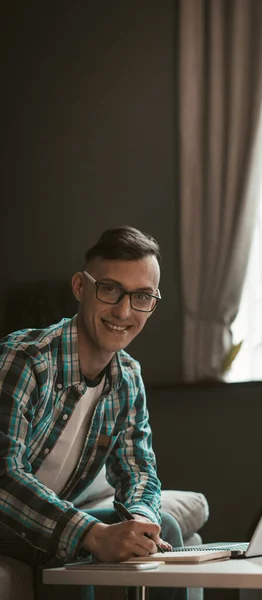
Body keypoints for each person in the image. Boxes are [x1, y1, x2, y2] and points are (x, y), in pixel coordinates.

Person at [0, 226, 185, 600]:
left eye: (142, 296)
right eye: (110, 289)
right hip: (10, 520)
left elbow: (138, 470)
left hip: (50, 524)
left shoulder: (128, 376)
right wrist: (89, 533)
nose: (123, 311)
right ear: (81, 287)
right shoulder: (24, 359)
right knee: (74, 544)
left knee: (163, 524)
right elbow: (3, 475)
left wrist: (141, 520)